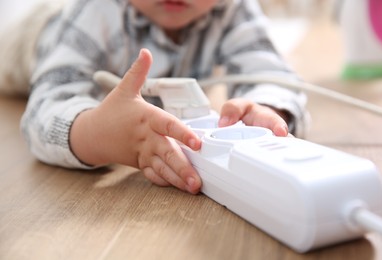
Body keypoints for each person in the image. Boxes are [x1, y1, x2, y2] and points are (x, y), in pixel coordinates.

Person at [2, 0, 308, 194]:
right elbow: (43, 108)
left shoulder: (232, 7)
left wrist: (266, 109)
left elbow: (273, 76)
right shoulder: (96, 10)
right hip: (30, 40)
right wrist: (95, 133)